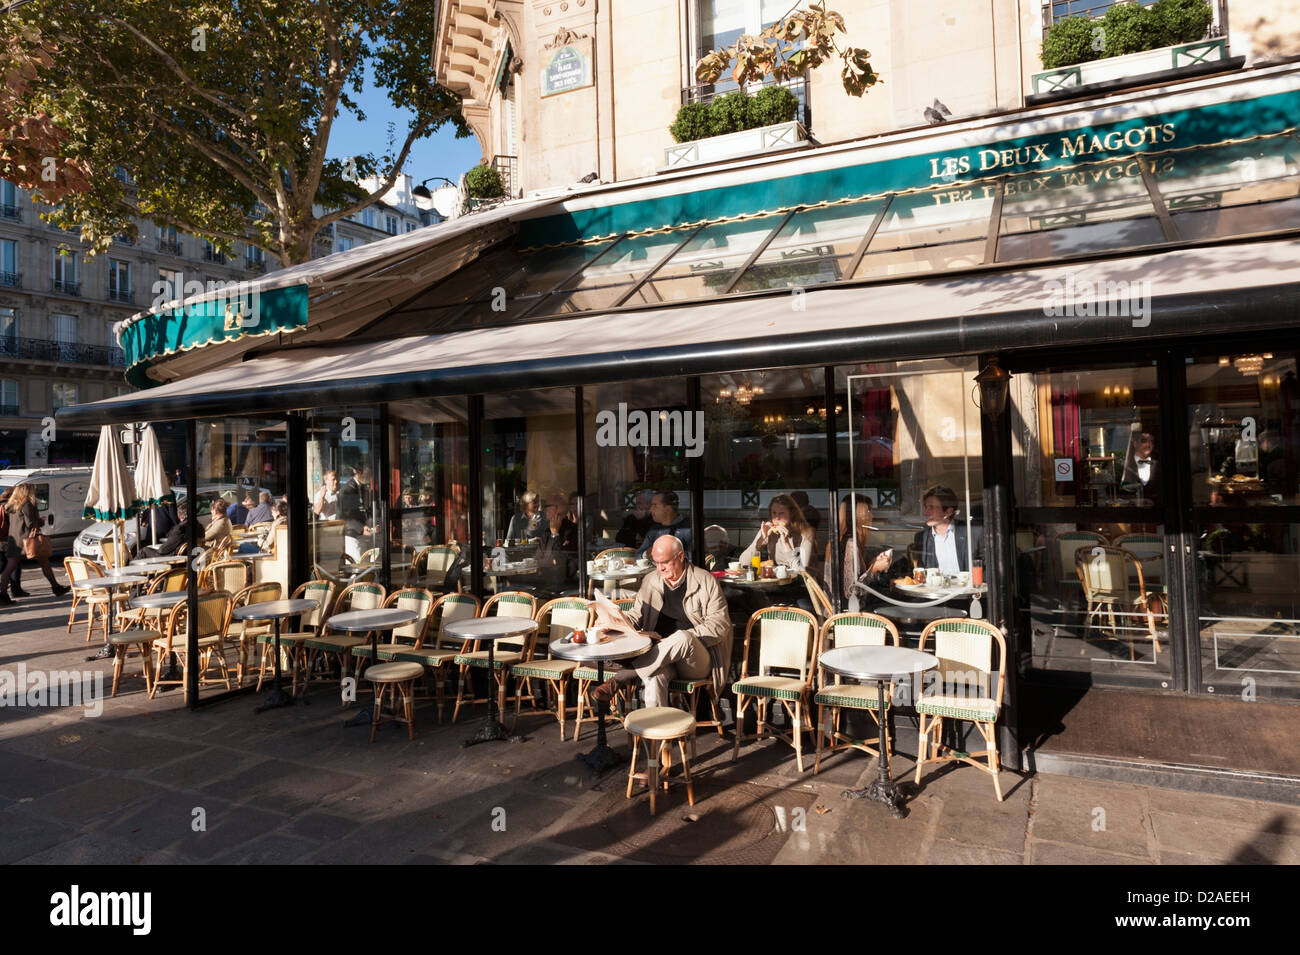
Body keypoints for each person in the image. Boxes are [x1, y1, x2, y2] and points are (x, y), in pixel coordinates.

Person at [590, 535, 731, 709]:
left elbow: (720, 625)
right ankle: (656, 732)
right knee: (654, 678)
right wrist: (613, 622)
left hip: (694, 659)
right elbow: (636, 615)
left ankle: (621, 676)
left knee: (682, 638)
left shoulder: (705, 581)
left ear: (680, 556)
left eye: (664, 562)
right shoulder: (651, 580)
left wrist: (676, 640)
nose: (659, 568)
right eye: (655, 562)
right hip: (660, 657)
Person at [825, 494, 897, 603]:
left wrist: (874, 563)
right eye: (868, 511)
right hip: (850, 616)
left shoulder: (840, 540)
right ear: (858, 516)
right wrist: (874, 570)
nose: (872, 515)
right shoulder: (850, 545)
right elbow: (852, 592)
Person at [6, 483, 69, 596]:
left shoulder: (13, 505)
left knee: (10, 567)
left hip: (15, 539)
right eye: (32, 490)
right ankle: (56, 587)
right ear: (27, 492)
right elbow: (30, 523)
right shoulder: (27, 504)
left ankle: (2, 594)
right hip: (27, 540)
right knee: (44, 563)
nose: (34, 492)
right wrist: (41, 521)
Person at [912, 484, 980, 574]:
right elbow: (921, 572)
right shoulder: (921, 537)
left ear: (948, 512)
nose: (926, 512)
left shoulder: (971, 531)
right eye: (925, 507)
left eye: (931, 507)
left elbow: (985, 565)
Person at [739, 493, 814, 572]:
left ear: (792, 514)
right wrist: (760, 540)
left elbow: (802, 572)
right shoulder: (769, 531)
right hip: (775, 580)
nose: (777, 518)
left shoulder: (806, 533)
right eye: (774, 513)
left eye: (782, 513)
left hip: (798, 582)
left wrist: (786, 544)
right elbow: (743, 562)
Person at [534, 492, 578, 593]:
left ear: (557, 509)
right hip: (545, 584)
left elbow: (562, 564)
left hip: (564, 587)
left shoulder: (572, 530)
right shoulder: (547, 532)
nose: (543, 510)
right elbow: (538, 559)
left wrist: (555, 534)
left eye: (547, 506)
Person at [636, 490, 691, 559]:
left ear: (668, 509)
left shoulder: (688, 529)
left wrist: (666, 553)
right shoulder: (654, 529)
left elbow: (695, 557)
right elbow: (638, 555)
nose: (650, 509)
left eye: (655, 505)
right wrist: (646, 554)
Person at [339, 466, 374, 560]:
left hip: (361, 535)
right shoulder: (348, 490)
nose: (369, 477)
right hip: (351, 535)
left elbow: (364, 510)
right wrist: (361, 528)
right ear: (358, 473)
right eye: (367, 475)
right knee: (357, 565)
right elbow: (347, 516)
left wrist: (371, 523)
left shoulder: (361, 488)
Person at [0, 489, 22, 605]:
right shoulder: (8, 507)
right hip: (7, 540)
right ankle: (12, 591)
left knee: (4, 566)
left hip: (1, 540)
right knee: (12, 566)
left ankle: (7, 593)